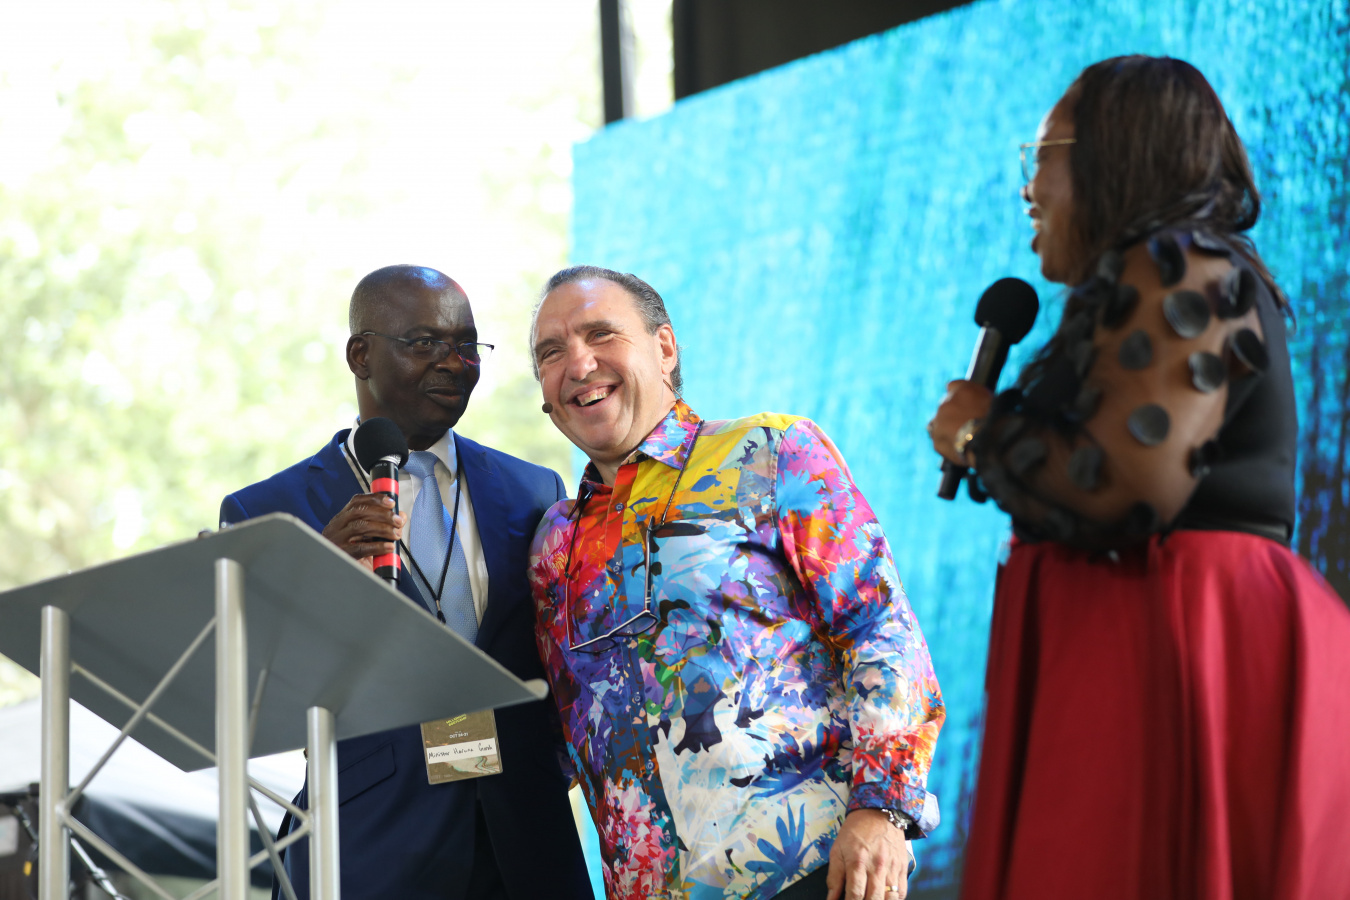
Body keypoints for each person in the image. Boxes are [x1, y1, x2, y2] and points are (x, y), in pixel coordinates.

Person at [927, 56, 1350, 899]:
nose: (1027, 190)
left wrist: (981, 429)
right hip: (1132, 637)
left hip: (1188, 640)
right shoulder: (1151, 277)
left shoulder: (1185, 264)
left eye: (1042, 155)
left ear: (1111, 152)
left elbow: (1125, 482)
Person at [526, 266, 945, 900]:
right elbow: (557, 729)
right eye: (551, 352)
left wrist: (883, 808)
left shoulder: (770, 452)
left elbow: (880, 628)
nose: (579, 364)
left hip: (813, 868)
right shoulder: (551, 546)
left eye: (601, 334)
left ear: (664, 347)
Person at [219, 266, 592, 900]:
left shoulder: (535, 491)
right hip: (370, 846)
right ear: (360, 355)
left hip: (526, 842)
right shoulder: (266, 513)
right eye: (424, 342)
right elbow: (249, 690)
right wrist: (313, 579)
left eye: (467, 345)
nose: (453, 362)